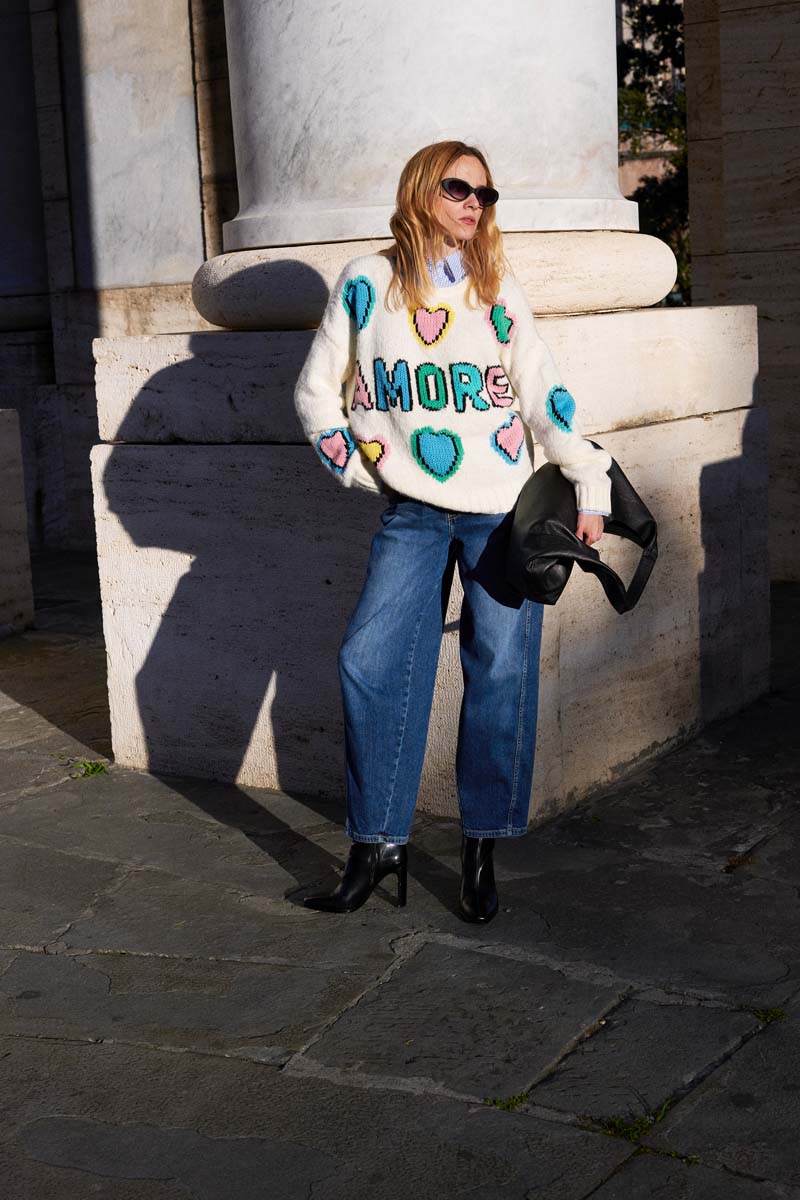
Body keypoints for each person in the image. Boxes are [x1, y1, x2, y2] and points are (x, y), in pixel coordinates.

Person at [293, 140, 611, 922]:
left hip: (502, 510)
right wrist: (367, 468)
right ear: (421, 192)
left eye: (487, 194)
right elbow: (314, 393)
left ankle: (480, 847)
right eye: (460, 187)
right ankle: (378, 845)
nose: (476, 203)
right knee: (369, 660)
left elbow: (544, 393)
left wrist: (589, 480)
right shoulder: (366, 284)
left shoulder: (495, 288)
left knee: (498, 669)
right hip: (412, 512)